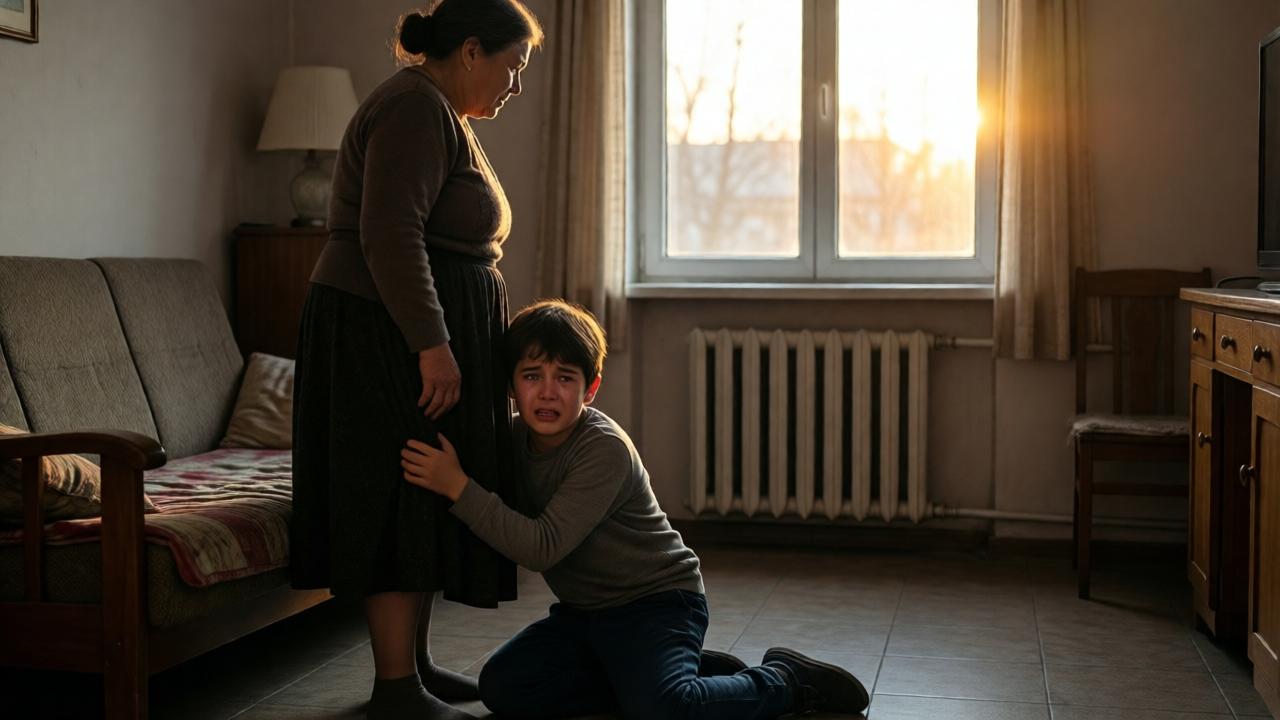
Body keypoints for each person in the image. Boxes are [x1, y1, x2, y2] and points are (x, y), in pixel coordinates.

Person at [400, 300, 871, 719]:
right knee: (504, 688)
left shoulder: (603, 449)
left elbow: (540, 549)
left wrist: (457, 487)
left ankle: (786, 681)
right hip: (584, 613)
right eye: (532, 376)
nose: (547, 392)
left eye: (565, 378)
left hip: (658, 603)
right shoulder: (512, 438)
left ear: (591, 389)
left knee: (665, 709)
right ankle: (684, 674)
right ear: (512, 385)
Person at [289, 2, 543, 718]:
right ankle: (395, 687)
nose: (514, 85)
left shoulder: (440, 112)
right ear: (470, 50)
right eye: (512, 67)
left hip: (402, 326)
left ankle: (415, 670)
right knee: (397, 492)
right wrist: (433, 344)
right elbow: (391, 233)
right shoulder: (411, 107)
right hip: (382, 333)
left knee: (427, 496)